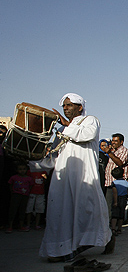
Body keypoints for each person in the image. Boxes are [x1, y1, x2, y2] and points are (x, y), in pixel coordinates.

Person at [29, 93, 113, 261]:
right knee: (61, 213)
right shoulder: (61, 130)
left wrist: (67, 125)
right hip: (63, 180)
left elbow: (86, 136)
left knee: (88, 211)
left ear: (79, 107)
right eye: (64, 106)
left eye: (69, 105)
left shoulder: (90, 120)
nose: (65, 109)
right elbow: (53, 158)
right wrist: (30, 162)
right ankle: (62, 249)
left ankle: (105, 239)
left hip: (84, 177)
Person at [101, 133, 128, 217]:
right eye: (112, 141)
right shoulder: (113, 150)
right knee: (109, 204)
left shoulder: (125, 151)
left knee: (119, 206)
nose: (113, 143)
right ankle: (110, 223)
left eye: (116, 141)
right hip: (109, 182)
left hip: (120, 184)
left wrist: (109, 153)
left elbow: (120, 163)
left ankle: (117, 225)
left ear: (121, 142)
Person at [6, 162, 33, 233]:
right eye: (20, 169)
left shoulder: (29, 179)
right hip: (16, 195)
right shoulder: (14, 177)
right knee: (13, 210)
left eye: (24, 169)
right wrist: (12, 192)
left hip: (24, 196)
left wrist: (27, 192)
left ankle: (21, 226)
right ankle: (10, 226)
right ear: (17, 170)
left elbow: (30, 186)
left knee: (22, 210)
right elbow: (10, 185)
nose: (22, 171)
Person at [110, 166, 128, 235]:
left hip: (117, 199)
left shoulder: (114, 183)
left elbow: (115, 193)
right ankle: (119, 229)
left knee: (115, 215)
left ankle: (113, 229)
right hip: (123, 199)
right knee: (121, 215)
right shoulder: (126, 183)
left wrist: (115, 202)